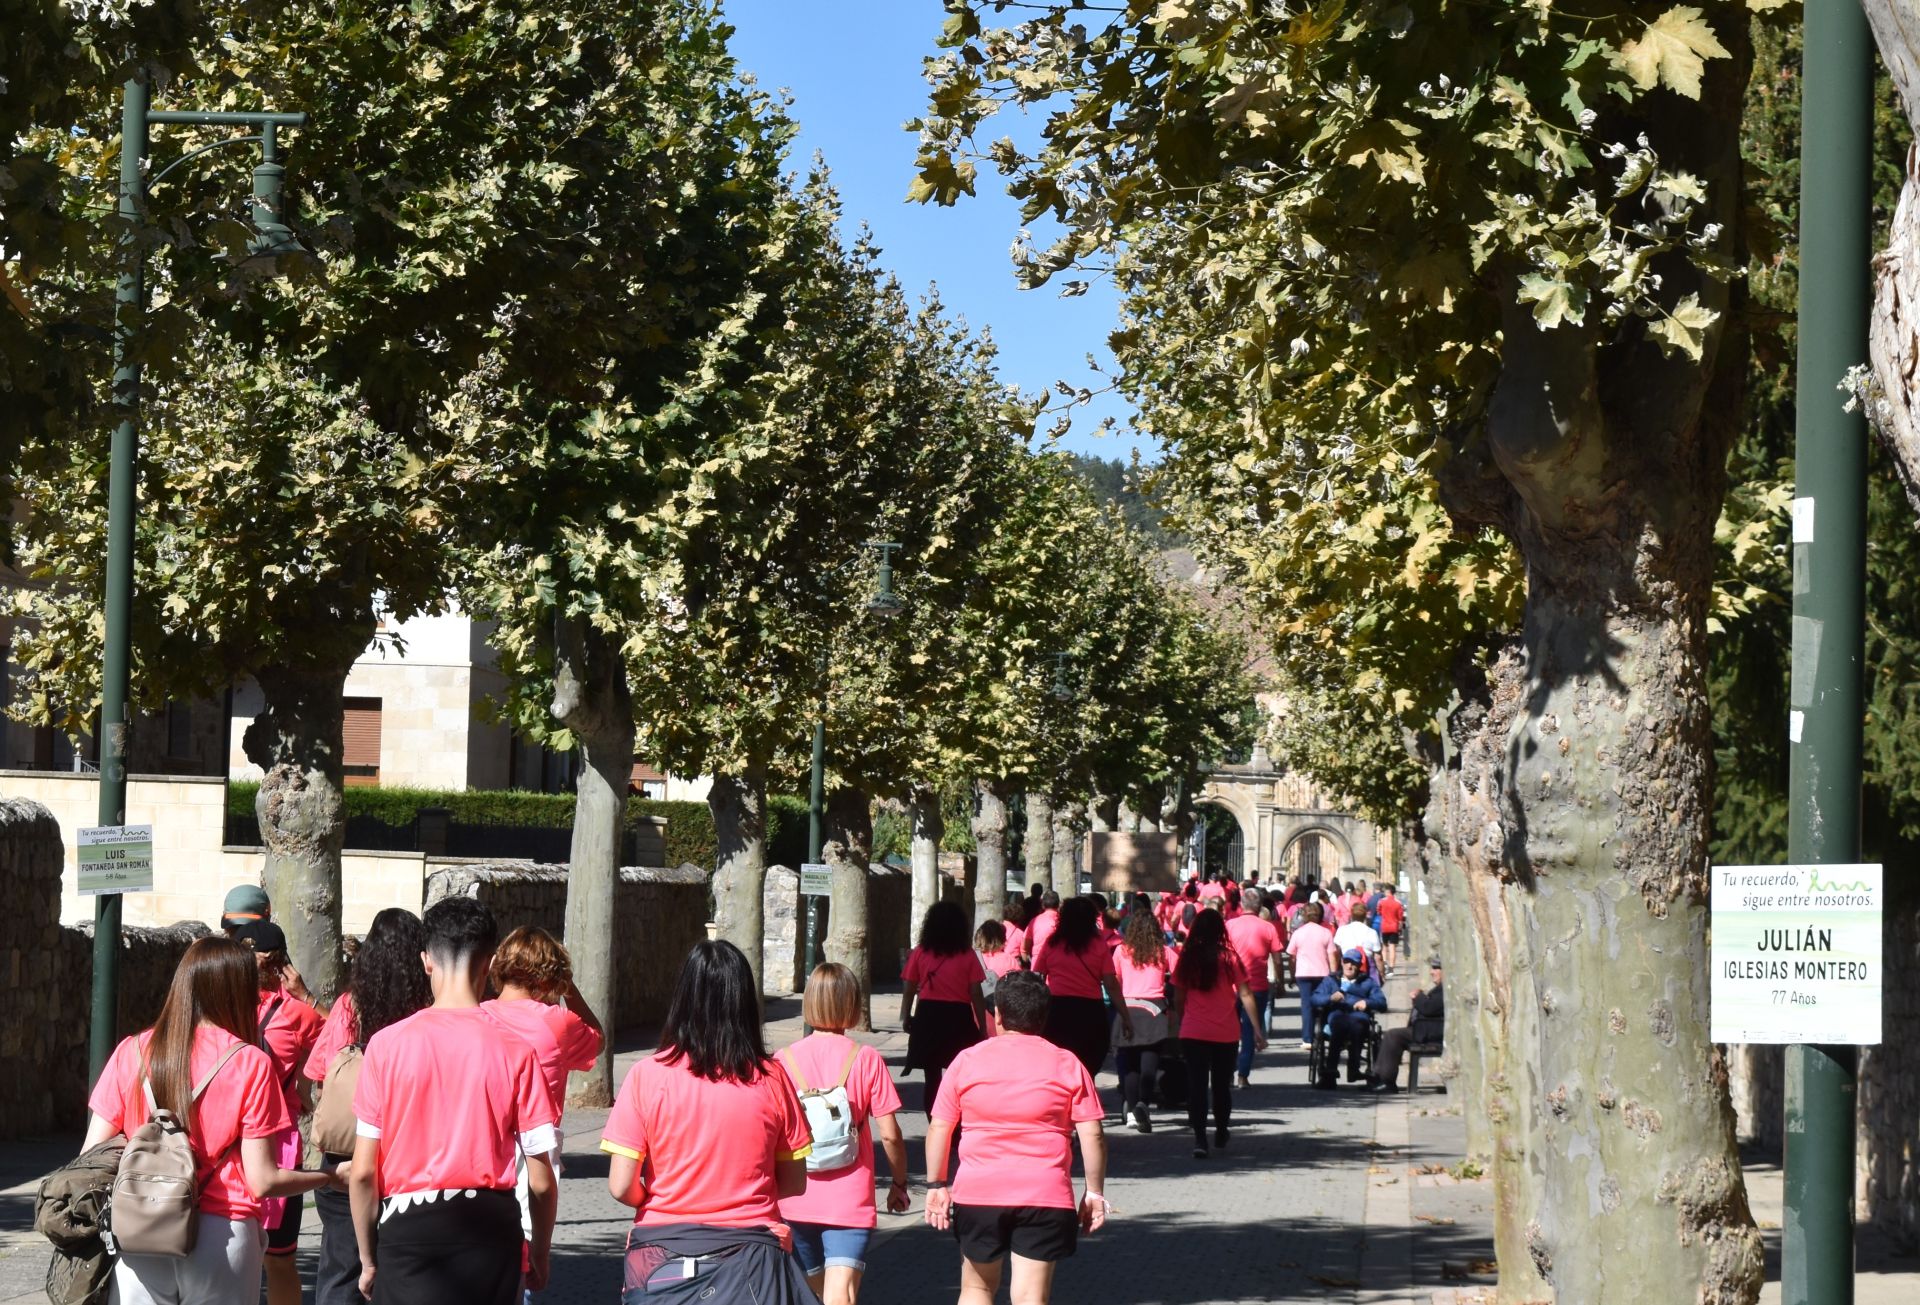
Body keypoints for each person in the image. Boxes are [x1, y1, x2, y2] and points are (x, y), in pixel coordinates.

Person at [84, 936, 333, 1304]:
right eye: (252, 989)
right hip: (223, 1233)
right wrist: (329, 1177)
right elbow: (262, 1180)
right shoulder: (250, 1063)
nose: (256, 999)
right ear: (234, 992)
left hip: (140, 1230)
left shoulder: (131, 1051)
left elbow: (92, 1155)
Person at [348, 897, 558, 1304]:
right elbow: (541, 1180)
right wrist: (541, 1252)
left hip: (407, 1228)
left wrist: (368, 1258)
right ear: (491, 963)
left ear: (427, 960)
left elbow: (361, 1173)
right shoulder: (516, 1051)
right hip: (491, 1229)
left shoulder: (386, 1047)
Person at [601, 940, 815, 1303]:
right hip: (754, 1260)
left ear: (683, 998)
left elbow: (621, 1186)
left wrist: (660, 1197)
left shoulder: (646, 1076)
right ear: (745, 1003)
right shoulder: (772, 1078)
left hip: (659, 1259)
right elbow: (794, 1183)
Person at [924, 972, 1108, 1305]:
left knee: (976, 1289)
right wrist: (1094, 1192)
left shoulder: (966, 1061)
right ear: (1044, 1017)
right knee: (1030, 1296)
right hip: (1045, 1194)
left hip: (979, 1192)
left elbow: (940, 1127)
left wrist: (937, 1184)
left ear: (998, 1015)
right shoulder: (1068, 1064)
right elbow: (1092, 1133)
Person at [304, 908, 432, 1305]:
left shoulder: (347, 1006)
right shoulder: (427, 1013)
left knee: (340, 1273)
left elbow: (319, 1073)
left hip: (344, 1158)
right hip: (407, 1161)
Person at [777, 963, 911, 1305]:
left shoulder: (781, 1061)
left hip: (795, 1196)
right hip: (849, 1199)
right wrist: (899, 1184)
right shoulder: (865, 1059)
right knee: (841, 1294)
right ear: (852, 1004)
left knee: (815, 1291)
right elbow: (891, 1134)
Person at [233, 921, 324, 1305]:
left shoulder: (292, 1013)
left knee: (262, 1256)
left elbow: (343, 1039)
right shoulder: (290, 1013)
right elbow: (345, 1039)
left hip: (254, 1144)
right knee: (264, 1257)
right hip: (255, 1144)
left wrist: (307, 1000)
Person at [481, 925, 605, 1135]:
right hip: (536, 1150)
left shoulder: (476, 1015)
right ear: (552, 976)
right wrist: (569, 988)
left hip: (484, 1145)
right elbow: (598, 1040)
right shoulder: (558, 1023)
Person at [1170, 911, 1264, 1158]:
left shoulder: (1187, 958)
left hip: (1193, 1031)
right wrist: (1256, 1028)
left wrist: (1183, 1021)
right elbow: (1245, 994)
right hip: (1225, 1032)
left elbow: (1178, 997)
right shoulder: (1229, 958)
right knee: (1222, 1086)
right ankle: (1221, 1129)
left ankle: (1200, 1139)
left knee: (1197, 1086)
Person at [902, 900, 990, 1114]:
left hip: (928, 1015)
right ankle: (957, 1124)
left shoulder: (920, 953)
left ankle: (935, 1124)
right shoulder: (967, 955)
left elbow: (910, 987)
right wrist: (982, 1027)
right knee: (959, 1073)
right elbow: (976, 993)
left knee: (931, 1078)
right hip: (958, 1018)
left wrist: (905, 1015)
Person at [1033, 896, 1131, 1079]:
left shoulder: (1052, 944)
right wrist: (1125, 1016)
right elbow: (1111, 984)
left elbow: (1038, 976)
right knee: (1088, 1065)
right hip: (1090, 1012)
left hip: (1058, 1011)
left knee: (1059, 1066)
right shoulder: (1098, 945)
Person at [1112, 909, 1174, 1133]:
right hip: (1154, 1010)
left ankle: (1130, 1112)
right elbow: (1178, 975)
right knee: (1150, 1064)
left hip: (1127, 1008)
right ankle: (1143, 1104)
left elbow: (1115, 979)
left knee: (1129, 1066)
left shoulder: (1121, 951)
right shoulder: (1163, 952)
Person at [1224, 889, 1285, 1089]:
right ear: (1259, 907)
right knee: (1249, 1032)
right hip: (1257, 986)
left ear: (1242, 905)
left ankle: (1228, 1074)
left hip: (1230, 987)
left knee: (1230, 1032)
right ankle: (1243, 1075)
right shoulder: (1268, 928)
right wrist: (1280, 982)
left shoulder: (1229, 926)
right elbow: (1277, 960)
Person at [1310, 949, 1389, 1089]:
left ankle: (1354, 1068)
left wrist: (1367, 1003)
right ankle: (1330, 1071)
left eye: (1353, 963)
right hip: (1337, 1014)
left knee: (1357, 1026)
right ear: (1341, 962)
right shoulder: (1330, 980)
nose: (1349, 966)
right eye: (1346, 962)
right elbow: (1315, 999)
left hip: (1358, 1016)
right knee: (1339, 1025)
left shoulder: (1368, 982)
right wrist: (1330, 998)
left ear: (1359, 965)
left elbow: (1382, 1003)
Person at [1374, 959, 1445, 1093]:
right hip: (1426, 1029)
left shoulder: (1446, 990)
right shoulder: (1440, 989)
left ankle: (1386, 1080)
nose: (1431, 972)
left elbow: (1429, 1008)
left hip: (1432, 1031)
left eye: (1436, 969)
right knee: (1393, 1035)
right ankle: (1380, 1077)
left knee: (1393, 1036)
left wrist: (1418, 997)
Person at [1284, 903, 1339, 1049]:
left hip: (1303, 974)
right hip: (1322, 973)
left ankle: (1307, 1039)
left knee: (1307, 1006)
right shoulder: (1326, 932)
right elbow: (1332, 956)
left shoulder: (1298, 933)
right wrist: (1333, 975)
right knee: (1326, 1002)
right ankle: (1326, 1031)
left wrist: (1292, 974)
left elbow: (1292, 957)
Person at [1333, 905, 1383, 977]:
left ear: (1351, 915)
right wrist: (1382, 974)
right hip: (1366, 968)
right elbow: (1378, 957)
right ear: (1365, 916)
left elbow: (1337, 952)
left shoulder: (1342, 930)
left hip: (1346, 966)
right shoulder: (1372, 932)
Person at [1375, 882, 1407, 976]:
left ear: (1388, 891)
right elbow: (1400, 917)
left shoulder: (1381, 901)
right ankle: (1391, 968)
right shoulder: (1398, 903)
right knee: (1392, 947)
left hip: (1384, 926)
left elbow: (1378, 912)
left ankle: (1384, 963)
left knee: (1384, 947)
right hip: (1394, 927)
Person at [1022, 890, 1061, 962]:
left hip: (1038, 963)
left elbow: (1024, 948)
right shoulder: (1063, 922)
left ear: (1043, 905)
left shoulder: (1034, 921)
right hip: (1059, 963)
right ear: (1058, 905)